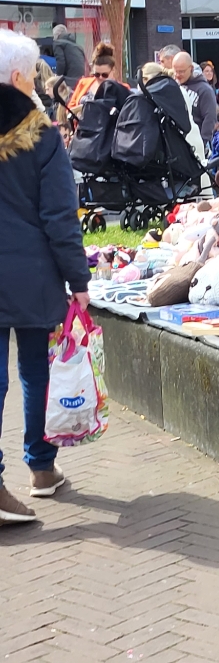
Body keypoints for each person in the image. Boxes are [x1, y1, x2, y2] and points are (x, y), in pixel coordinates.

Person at [0, 29, 91, 523]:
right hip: (31, 274)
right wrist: (79, 279)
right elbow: (61, 215)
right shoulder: (42, 135)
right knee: (35, 371)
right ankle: (40, 467)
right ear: (18, 77)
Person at [172, 51, 218, 146]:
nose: (177, 75)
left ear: (191, 68)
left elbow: (210, 117)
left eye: (181, 71)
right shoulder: (174, 85)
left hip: (197, 141)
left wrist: (203, 142)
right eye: (175, 71)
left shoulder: (204, 90)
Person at [67, 42, 121, 112]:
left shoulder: (121, 88)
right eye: (97, 74)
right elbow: (70, 108)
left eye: (105, 75)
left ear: (113, 70)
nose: (100, 77)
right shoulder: (84, 83)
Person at [51, 24, 86, 89]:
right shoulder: (78, 47)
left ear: (56, 35)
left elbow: (61, 62)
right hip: (80, 80)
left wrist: (57, 77)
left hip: (69, 81)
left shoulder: (58, 43)